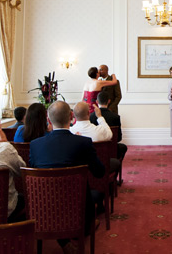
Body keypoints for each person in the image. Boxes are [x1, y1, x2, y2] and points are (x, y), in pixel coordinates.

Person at [29, 101, 105, 250]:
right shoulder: (83, 143)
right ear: (71, 117)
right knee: (94, 194)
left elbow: (32, 175)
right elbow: (100, 172)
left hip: (42, 206)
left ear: (48, 119)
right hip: (77, 207)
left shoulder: (35, 145)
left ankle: (62, 239)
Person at [91, 90, 128, 164]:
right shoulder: (115, 117)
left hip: (95, 150)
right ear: (109, 101)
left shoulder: (91, 116)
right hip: (111, 149)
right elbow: (119, 138)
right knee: (123, 147)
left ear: (97, 102)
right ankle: (116, 164)